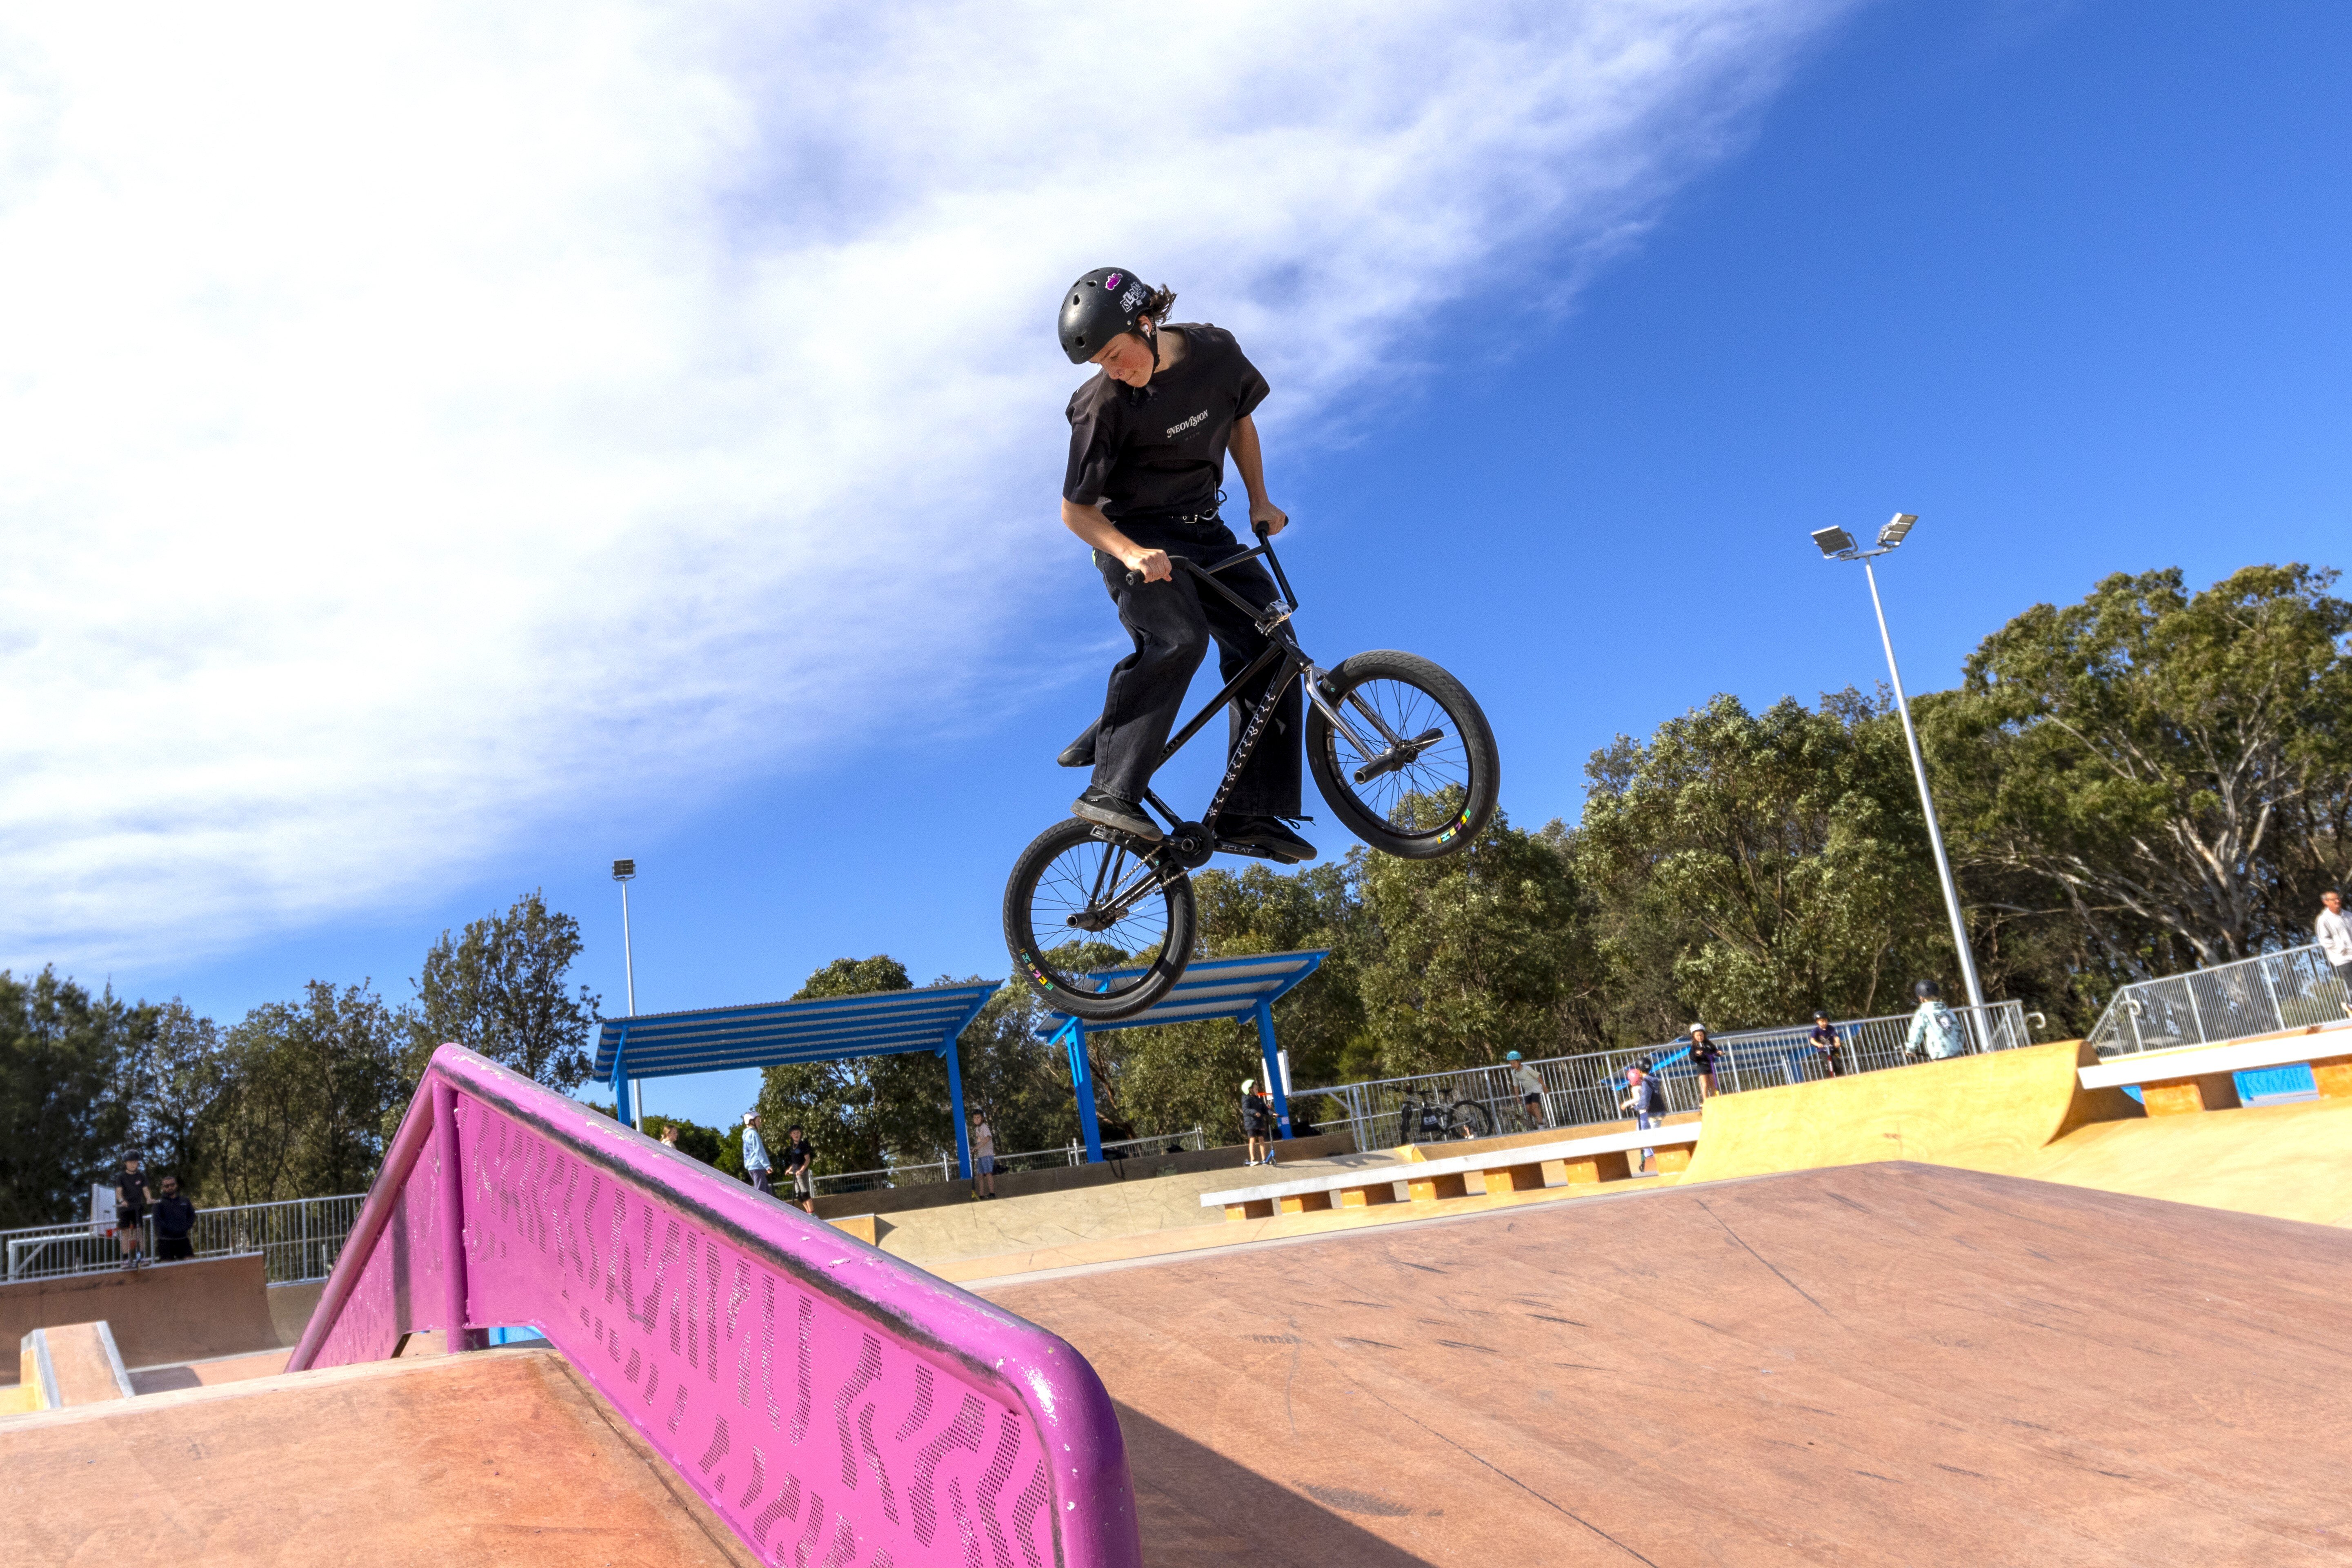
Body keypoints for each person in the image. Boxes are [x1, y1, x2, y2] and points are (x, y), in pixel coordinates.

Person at [1053, 268, 1313, 864]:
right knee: (1179, 638)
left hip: (1207, 532)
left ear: (1145, 324)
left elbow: (1240, 420)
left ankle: (1252, 809)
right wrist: (1129, 553)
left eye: (1115, 355)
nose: (1113, 371)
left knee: (1274, 648)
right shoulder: (1101, 406)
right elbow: (1075, 512)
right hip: (1133, 537)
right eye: (1100, 364)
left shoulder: (1216, 352)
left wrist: (1259, 499)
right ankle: (1111, 790)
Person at [1905, 981, 1969, 1060]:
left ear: (1921, 998)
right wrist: (1959, 1046)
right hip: (1955, 1051)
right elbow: (1959, 1030)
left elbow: (1916, 1031)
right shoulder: (1948, 1011)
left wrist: (1911, 1049)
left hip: (1938, 1052)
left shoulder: (1923, 1013)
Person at [1618, 1063, 1663, 1174]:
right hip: (1648, 1112)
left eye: (1630, 1080)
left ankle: (1649, 1155)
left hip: (1643, 1114)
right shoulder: (1644, 1085)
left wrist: (1626, 1104)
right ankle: (1650, 1153)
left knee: (1641, 1133)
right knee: (1644, 1132)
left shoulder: (1635, 1088)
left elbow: (1638, 1099)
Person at [2319, 889, 2352, 1017]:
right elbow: (2324, 940)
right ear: (2326, 902)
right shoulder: (2324, 920)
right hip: (2342, 958)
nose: (2338, 901)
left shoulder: (2349, 915)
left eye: (2339, 899)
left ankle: (2350, 1006)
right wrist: (2341, 948)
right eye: (2334, 900)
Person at [114, 1155, 151, 1269]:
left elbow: (146, 1189)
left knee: (139, 1231)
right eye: (131, 1162)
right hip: (125, 1208)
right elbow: (118, 1193)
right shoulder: (121, 1177)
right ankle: (125, 1259)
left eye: (135, 1162)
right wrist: (122, 1201)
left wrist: (149, 1198)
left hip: (137, 1207)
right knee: (125, 1233)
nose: (133, 1165)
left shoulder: (141, 1176)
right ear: (126, 1163)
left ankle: (141, 1256)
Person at [152, 1175, 196, 1262]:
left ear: (176, 1185)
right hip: (165, 1240)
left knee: (191, 1264)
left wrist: (185, 1227)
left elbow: (192, 1216)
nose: (170, 1188)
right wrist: (171, 1230)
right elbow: (157, 1220)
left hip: (182, 1239)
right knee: (166, 1267)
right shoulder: (158, 1203)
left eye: (172, 1185)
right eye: (167, 1186)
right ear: (163, 1188)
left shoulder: (185, 1200)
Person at [782, 1124, 816, 1215]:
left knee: (805, 1194)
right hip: (795, 1173)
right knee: (799, 1196)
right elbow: (795, 1162)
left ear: (801, 1134)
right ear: (791, 1135)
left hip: (802, 1173)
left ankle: (813, 1214)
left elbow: (807, 1160)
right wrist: (789, 1169)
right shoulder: (793, 1146)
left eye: (798, 1133)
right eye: (794, 1133)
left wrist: (802, 1170)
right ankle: (809, 1213)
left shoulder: (803, 1145)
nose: (796, 1135)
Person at [1241, 1078, 1276, 1167]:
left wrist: (1272, 1113)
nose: (1257, 1090)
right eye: (1256, 1089)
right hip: (1251, 1123)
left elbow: (1265, 1109)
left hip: (1259, 1122)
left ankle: (1264, 1160)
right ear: (1250, 1090)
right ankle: (1253, 1160)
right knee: (1252, 1139)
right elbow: (1246, 1110)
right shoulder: (1246, 1099)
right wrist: (1255, 1113)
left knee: (1261, 1139)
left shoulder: (1258, 1099)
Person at [1507, 1051, 1547, 1128]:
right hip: (1528, 1091)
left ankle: (1541, 1125)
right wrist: (1517, 1097)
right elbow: (1516, 1085)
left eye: (1514, 1063)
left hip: (1535, 1088)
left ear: (1519, 1062)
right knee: (1529, 1109)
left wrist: (1545, 1088)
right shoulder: (1514, 1073)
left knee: (1535, 1106)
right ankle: (1542, 1120)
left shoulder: (1527, 1069)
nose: (1513, 1065)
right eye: (1511, 1064)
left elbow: (1538, 1077)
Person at [740, 1112, 773, 1196]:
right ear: (752, 1122)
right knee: (761, 1193)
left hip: (751, 1167)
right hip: (757, 1166)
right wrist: (767, 1166)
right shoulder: (753, 1134)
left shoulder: (746, 1135)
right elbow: (759, 1150)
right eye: (758, 1121)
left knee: (768, 1192)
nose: (760, 1122)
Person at [1685, 1025, 1721, 1100]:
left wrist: (1719, 1052)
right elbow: (1692, 1056)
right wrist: (1697, 1054)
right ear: (1694, 1036)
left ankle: (1715, 1100)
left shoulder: (1708, 1044)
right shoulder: (1694, 1046)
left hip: (1710, 1066)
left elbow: (1714, 1050)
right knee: (1705, 1084)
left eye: (1701, 1035)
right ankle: (1706, 1100)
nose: (1700, 1037)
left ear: (1704, 1035)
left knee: (1713, 1084)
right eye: (1697, 1036)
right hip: (1702, 1066)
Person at [969, 1112, 998, 1200]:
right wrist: (974, 1149)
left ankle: (992, 1194)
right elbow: (979, 1142)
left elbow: (987, 1138)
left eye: (978, 1117)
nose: (976, 1119)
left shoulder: (984, 1127)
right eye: (975, 1118)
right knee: (980, 1175)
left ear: (982, 1118)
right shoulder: (977, 1129)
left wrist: (977, 1148)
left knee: (988, 1173)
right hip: (981, 1155)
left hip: (987, 1154)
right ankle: (981, 1195)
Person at [1806, 1012, 1844, 1078]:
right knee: (1830, 1066)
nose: (1824, 1023)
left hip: (1833, 1049)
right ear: (1817, 1022)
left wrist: (1837, 1042)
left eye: (1826, 1021)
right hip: (1823, 1051)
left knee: (1838, 1065)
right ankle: (1829, 1079)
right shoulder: (1816, 1030)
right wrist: (1818, 1044)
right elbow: (1812, 1040)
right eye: (1822, 1021)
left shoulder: (1830, 1028)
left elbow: (1836, 1037)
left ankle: (1841, 1079)